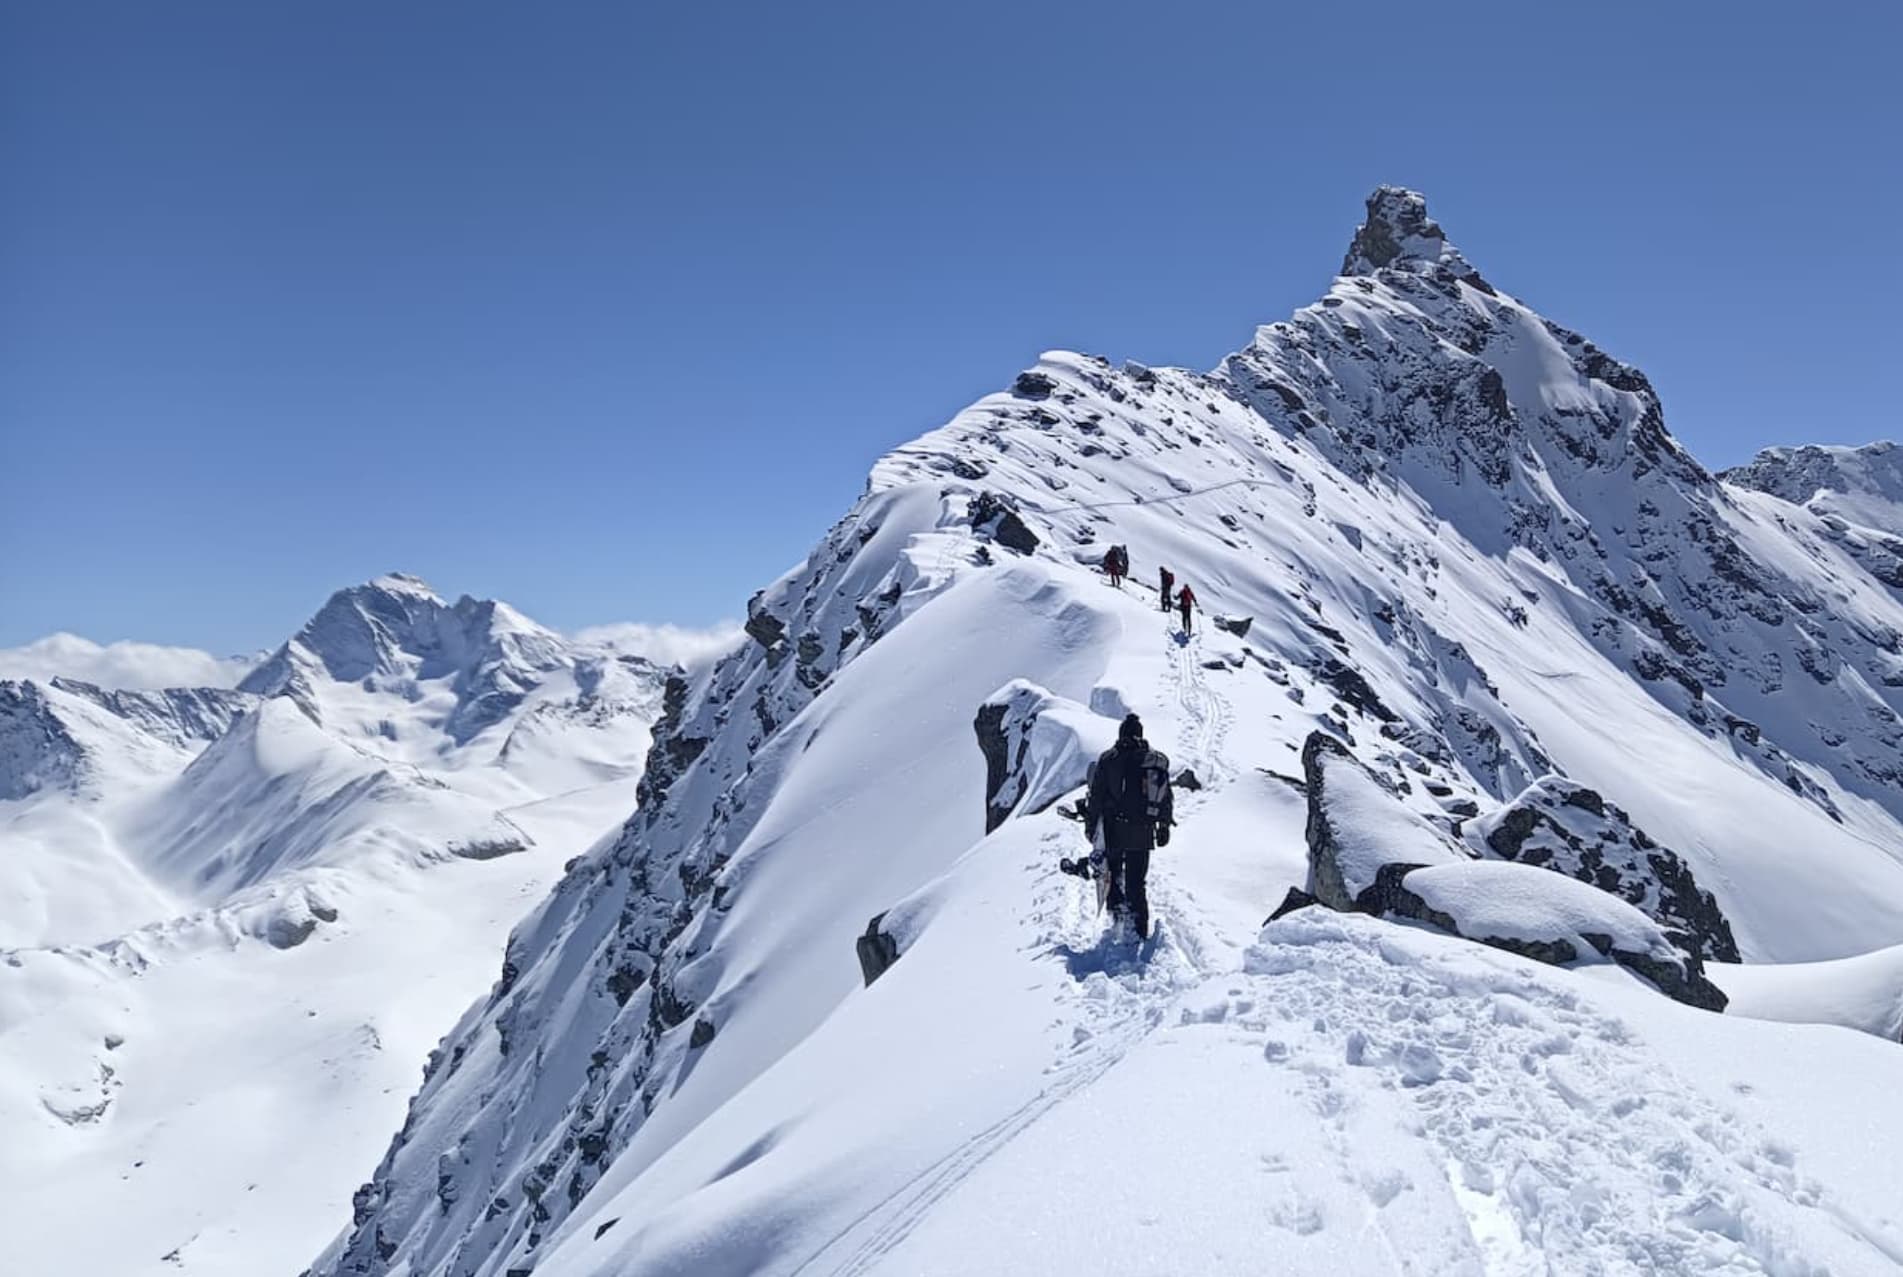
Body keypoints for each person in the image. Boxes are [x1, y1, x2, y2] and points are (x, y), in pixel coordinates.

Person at [1083, 713, 1174, 940]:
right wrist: (1164, 826)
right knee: (1137, 882)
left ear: (1121, 734)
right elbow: (1165, 797)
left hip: (1115, 829)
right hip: (1143, 831)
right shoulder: (1152, 761)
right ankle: (1139, 929)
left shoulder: (1109, 759)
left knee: (1112, 874)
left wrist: (1091, 826)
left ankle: (1118, 918)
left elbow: (1096, 797)